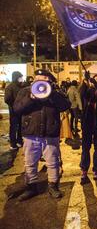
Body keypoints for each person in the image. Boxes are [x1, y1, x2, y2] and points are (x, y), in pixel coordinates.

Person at [13, 69, 71, 201]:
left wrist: (52, 93)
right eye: (37, 77)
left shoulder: (55, 92)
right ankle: (31, 187)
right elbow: (17, 109)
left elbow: (66, 105)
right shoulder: (25, 91)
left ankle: (53, 185)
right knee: (30, 162)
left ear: (49, 80)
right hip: (30, 133)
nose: (40, 79)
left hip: (50, 133)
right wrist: (31, 98)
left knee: (53, 162)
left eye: (43, 78)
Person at [79, 71, 97, 184]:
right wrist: (85, 82)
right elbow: (82, 94)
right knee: (86, 148)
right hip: (87, 125)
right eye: (96, 80)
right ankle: (84, 170)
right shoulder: (88, 91)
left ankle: (96, 170)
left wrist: (95, 82)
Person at [4, 71, 24, 150]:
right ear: (16, 77)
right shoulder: (10, 87)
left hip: (21, 110)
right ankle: (13, 143)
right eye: (20, 77)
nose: (21, 79)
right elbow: (7, 99)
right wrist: (14, 105)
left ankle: (19, 140)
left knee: (20, 126)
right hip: (14, 111)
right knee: (13, 127)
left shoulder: (21, 86)